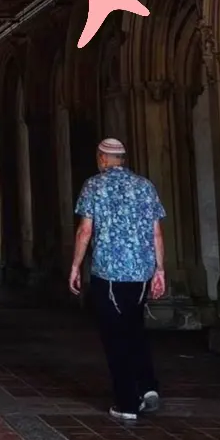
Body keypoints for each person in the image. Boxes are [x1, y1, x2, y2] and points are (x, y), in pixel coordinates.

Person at [70, 138, 166, 424]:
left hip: (109, 274)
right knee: (134, 328)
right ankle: (148, 387)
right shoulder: (145, 186)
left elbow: (85, 231)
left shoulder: (94, 186)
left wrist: (75, 266)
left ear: (102, 159)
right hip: (140, 274)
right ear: (122, 159)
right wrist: (160, 270)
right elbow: (157, 233)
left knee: (115, 337)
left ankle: (126, 402)